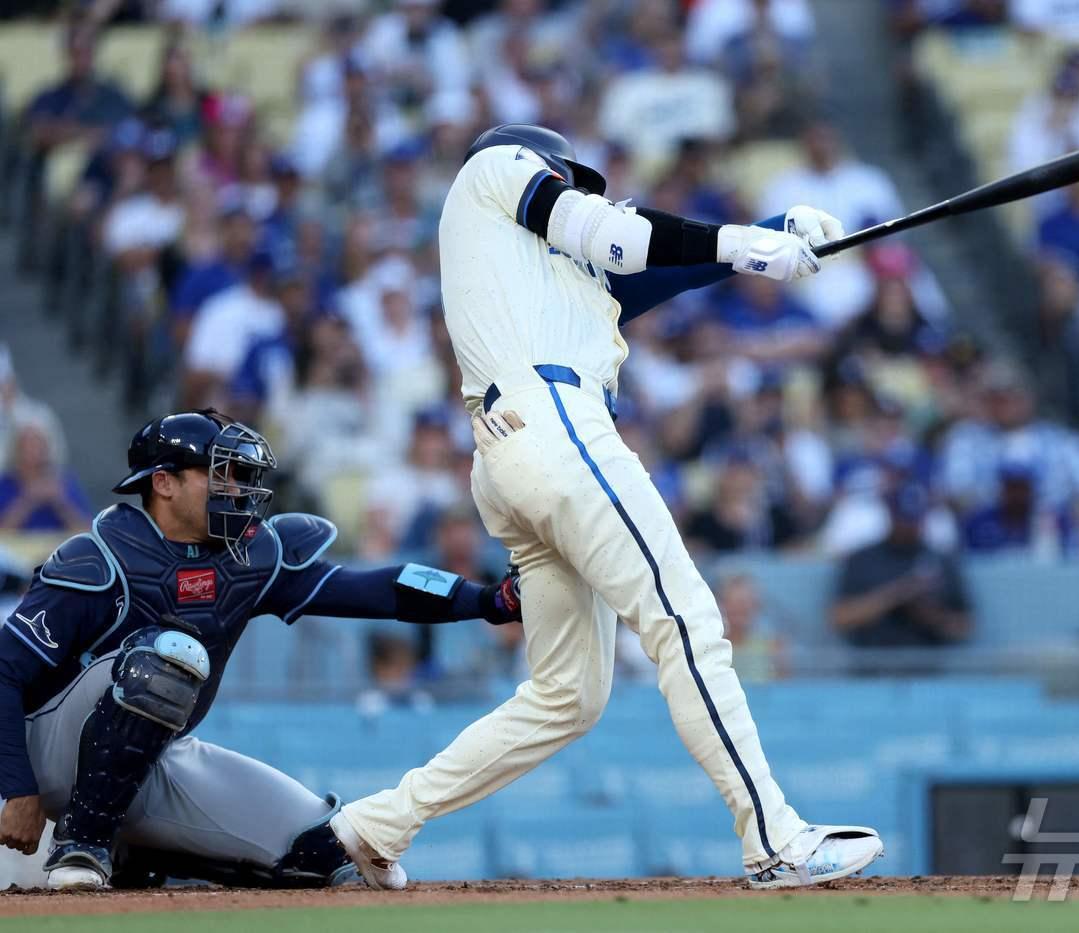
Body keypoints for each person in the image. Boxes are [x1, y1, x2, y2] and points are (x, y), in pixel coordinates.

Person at [333, 123, 884, 891]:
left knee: (567, 695)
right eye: (577, 181)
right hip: (553, 419)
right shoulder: (495, 168)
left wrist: (767, 238)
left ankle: (377, 822)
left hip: (517, 448)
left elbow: (656, 272)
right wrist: (747, 243)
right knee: (685, 618)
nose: (590, 192)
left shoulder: (546, 279)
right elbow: (617, 236)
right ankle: (775, 838)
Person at [0, 411, 522, 891]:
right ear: (164, 483)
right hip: (48, 756)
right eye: (219, 475)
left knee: (325, 853)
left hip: (153, 761)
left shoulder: (249, 554)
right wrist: (17, 790)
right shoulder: (97, 558)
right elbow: (3, 671)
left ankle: (143, 852)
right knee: (167, 658)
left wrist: (486, 599)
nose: (238, 490)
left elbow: (374, 588)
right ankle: (82, 848)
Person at [830, 484, 972, 648]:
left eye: (914, 519)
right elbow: (838, 618)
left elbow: (966, 627)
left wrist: (931, 616)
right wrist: (897, 594)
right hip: (872, 665)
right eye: (903, 518)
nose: (909, 526)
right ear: (890, 514)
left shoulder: (941, 560)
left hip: (928, 666)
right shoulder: (862, 559)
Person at [0, 424, 90, 534]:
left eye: (37, 446)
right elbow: (3, 530)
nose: (32, 453)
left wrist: (60, 502)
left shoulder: (63, 481)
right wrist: (28, 500)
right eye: (26, 447)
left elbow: (86, 530)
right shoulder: (5, 484)